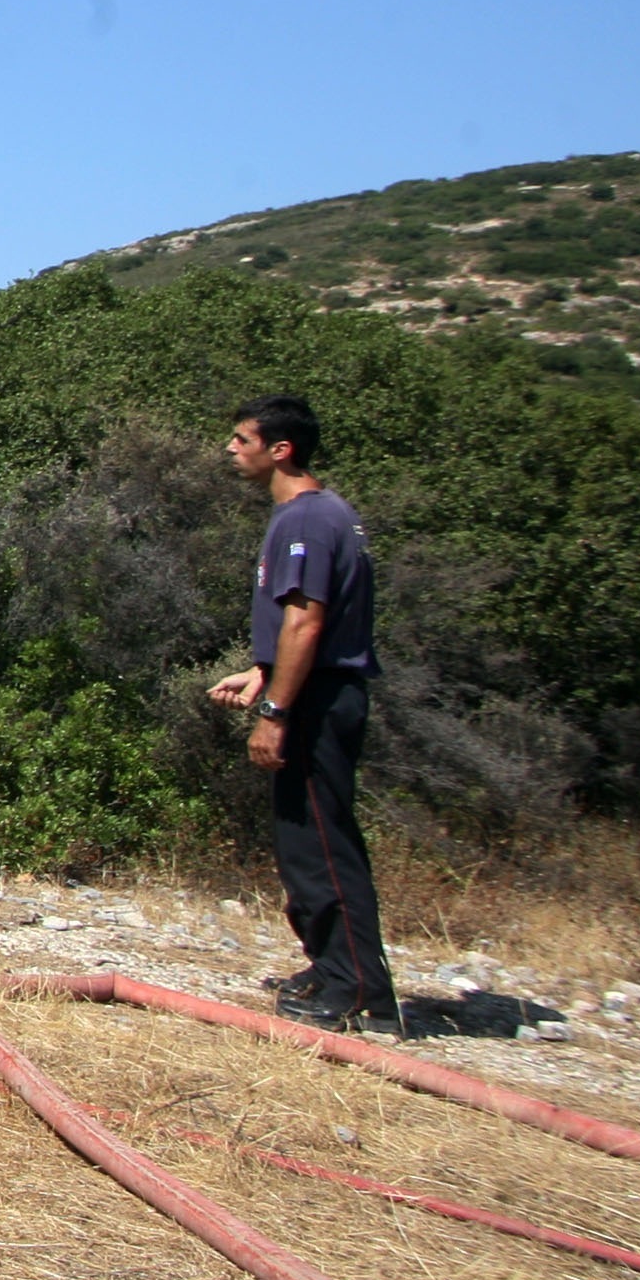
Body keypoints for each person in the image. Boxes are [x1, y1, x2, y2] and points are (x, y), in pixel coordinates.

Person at [205, 394, 397, 1029]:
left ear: (280, 450)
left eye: (242, 439)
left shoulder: (308, 521)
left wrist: (275, 712)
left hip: (317, 701)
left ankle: (360, 992)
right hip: (309, 688)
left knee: (322, 846)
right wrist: (263, 670)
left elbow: (307, 624)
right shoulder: (315, 514)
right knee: (303, 842)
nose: (231, 449)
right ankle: (331, 967)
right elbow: (308, 626)